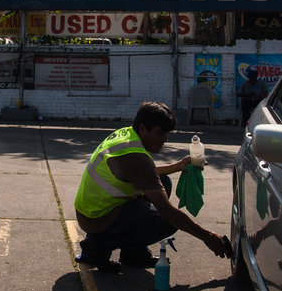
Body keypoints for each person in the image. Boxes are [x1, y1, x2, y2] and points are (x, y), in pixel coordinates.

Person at [74, 101, 232, 273]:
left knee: (163, 181)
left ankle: (133, 254)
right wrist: (207, 237)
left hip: (95, 208)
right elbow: (167, 211)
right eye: (160, 133)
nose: (165, 139)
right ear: (143, 128)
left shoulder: (127, 135)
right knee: (167, 222)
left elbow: (141, 174)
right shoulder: (134, 156)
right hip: (95, 218)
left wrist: (178, 166)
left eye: (167, 134)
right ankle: (98, 246)